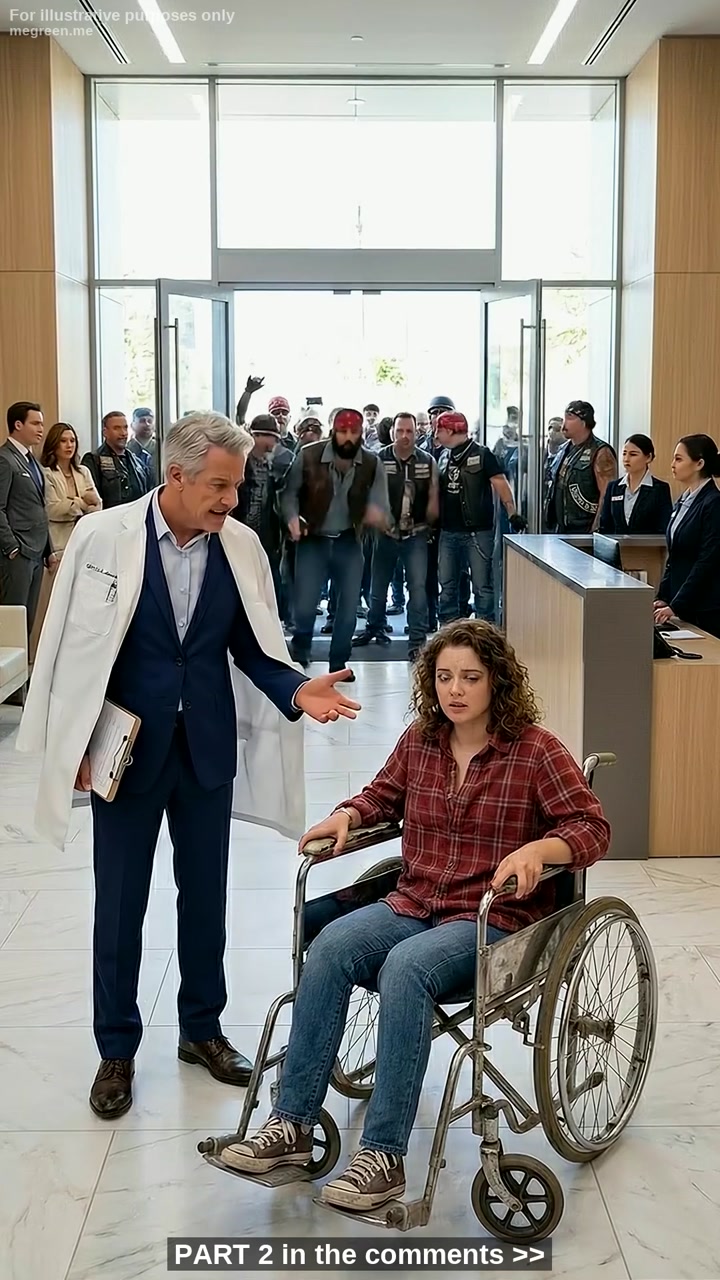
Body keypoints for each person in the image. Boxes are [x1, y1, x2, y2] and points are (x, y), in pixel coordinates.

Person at [17, 412, 362, 1121]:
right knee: (120, 906)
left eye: (236, 487)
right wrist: (73, 742)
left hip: (205, 751)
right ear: (176, 475)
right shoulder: (102, 536)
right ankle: (117, 1049)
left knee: (205, 899)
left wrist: (297, 689)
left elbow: (253, 645)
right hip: (127, 753)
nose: (232, 500)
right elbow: (71, 649)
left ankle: (201, 1030)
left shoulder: (238, 546)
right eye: (220, 486)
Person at [220, 620, 611, 1210]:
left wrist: (540, 849)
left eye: (470, 678)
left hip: (488, 917)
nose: (455, 690)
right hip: (416, 898)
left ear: (497, 681)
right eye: (444, 677)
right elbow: (381, 796)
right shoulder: (422, 740)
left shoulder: (535, 750)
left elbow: (592, 827)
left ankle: (384, 1157)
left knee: (405, 968)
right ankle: (292, 1124)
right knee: (331, 946)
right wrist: (348, 816)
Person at [281, 408, 390, 674]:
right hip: (313, 539)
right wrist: (292, 517)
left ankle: (339, 662)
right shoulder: (309, 455)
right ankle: (301, 649)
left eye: (354, 432)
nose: (348, 437)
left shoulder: (372, 463)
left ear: (361, 433)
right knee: (305, 606)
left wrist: (378, 514)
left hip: (348, 539)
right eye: (343, 431)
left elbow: (381, 502)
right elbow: (289, 493)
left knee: (349, 607)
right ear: (333, 432)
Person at [353, 413, 439, 661]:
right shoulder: (378, 459)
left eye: (409, 431)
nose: (404, 436)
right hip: (386, 533)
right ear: (392, 432)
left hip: (416, 533)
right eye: (400, 430)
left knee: (417, 588)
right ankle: (375, 627)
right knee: (378, 586)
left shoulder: (427, 461)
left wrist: (431, 521)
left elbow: (434, 496)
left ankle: (417, 641)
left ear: (416, 432)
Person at [435, 411, 526, 625]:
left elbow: (501, 483)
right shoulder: (444, 457)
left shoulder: (483, 454)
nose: (436, 434)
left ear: (450, 430)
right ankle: (447, 631)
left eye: (439, 429)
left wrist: (512, 513)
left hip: (477, 532)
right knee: (447, 585)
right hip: (448, 531)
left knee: (482, 586)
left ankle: (485, 631)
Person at [0, 402, 58, 648]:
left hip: (37, 551)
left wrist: (48, 549)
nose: (41, 429)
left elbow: (39, 510)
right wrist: (11, 547)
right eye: (35, 423)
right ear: (17, 425)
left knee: (28, 620)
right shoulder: (5, 459)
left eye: (42, 424)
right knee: (13, 622)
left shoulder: (32, 460)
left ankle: (23, 670)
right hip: (18, 553)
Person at [654, 434, 720, 638]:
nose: (672, 464)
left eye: (679, 459)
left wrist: (677, 604)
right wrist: (663, 597)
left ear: (699, 463)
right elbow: (674, 557)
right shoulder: (683, 500)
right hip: (683, 603)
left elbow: (707, 561)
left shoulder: (713, 503)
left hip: (705, 608)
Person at [231, 414, 294, 621]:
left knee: (269, 578)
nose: (273, 444)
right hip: (239, 531)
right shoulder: (238, 462)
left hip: (267, 534)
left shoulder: (277, 464)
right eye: (270, 438)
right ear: (256, 436)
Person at [545, 401, 617, 534]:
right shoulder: (563, 450)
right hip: (560, 528)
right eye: (564, 418)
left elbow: (606, 494)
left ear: (584, 422)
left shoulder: (601, 452)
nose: (564, 424)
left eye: (570, 418)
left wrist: (596, 529)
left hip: (584, 529)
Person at [41, 422, 102, 554]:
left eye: (72, 441)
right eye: (63, 441)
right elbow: (52, 509)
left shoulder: (83, 471)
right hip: (59, 542)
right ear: (54, 444)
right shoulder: (47, 473)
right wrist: (82, 503)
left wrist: (71, 503)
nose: (69, 445)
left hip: (85, 539)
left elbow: (98, 505)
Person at [599, 434, 672, 535]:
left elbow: (663, 527)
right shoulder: (613, 487)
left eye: (633, 454)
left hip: (647, 544)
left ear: (648, 457)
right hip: (617, 544)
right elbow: (605, 524)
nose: (626, 459)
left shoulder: (660, 489)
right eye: (624, 454)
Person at [82, 411, 151, 509]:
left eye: (125, 428)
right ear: (105, 432)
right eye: (117, 428)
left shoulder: (137, 462)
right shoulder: (93, 460)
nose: (123, 433)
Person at [127, 408, 157, 486]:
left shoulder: (160, 449)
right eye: (142, 421)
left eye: (150, 421)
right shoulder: (126, 450)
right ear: (132, 425)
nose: (147, 424)